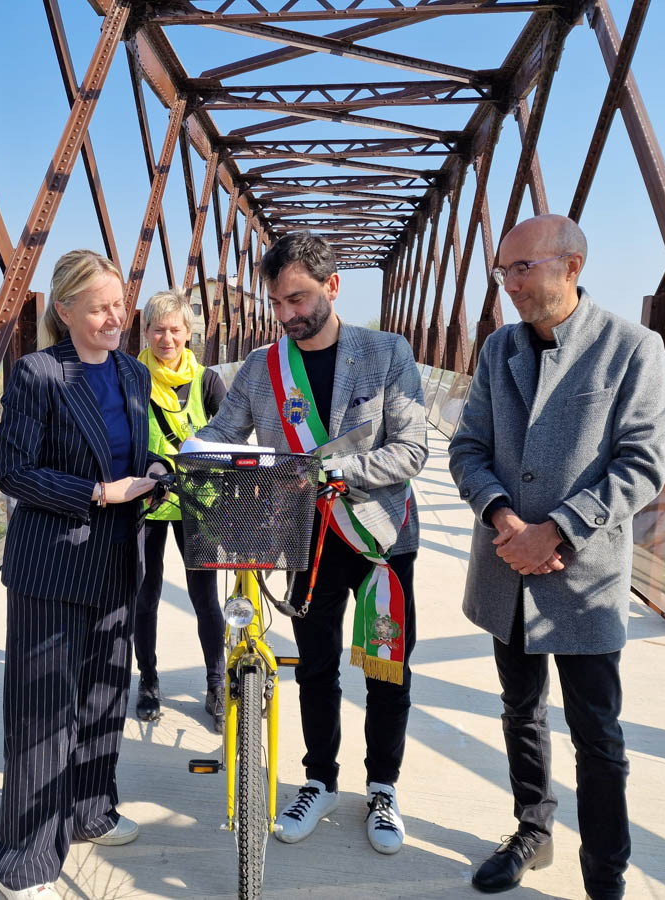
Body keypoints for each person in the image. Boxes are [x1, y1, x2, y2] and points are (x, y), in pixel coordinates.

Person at [448, 214, 665, 899]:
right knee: (520, 710)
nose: (510, 285)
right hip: (505, 561)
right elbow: (468, 448)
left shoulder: (633, 348)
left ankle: (605, 875)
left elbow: (644, 461)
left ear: (572, 266)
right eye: (503, 272)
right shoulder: (498, 350)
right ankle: (532, 830)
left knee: (597, 733)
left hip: (582, 573)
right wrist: (504, 517)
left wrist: (557, 530)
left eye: (523, 268)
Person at [195, 232, 428, 855]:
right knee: (316, 668)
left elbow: (411, 451)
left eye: (298, 298)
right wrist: (189, 454)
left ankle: (383, 788)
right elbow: (222, 431)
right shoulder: (261, 366)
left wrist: (332, 472)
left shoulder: (387, 353)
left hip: (380, 539)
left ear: (333, 285)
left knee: (387, 669)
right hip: (304, 539)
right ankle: (319, 779)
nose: (288, 314)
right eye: (277, 303)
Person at [0, 250, 168, 900]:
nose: (115, 318)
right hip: (52, 566)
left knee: (102, 698)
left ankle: (90, 813)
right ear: (63, 311)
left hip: (118, 560)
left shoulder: (130, 372)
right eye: (99, 308)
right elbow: (15, 473)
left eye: (120, 306)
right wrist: (98, 492)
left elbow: (135, 453)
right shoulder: (37, 374)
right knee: (43, 715)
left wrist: (152, 476)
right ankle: (25, 863)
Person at [132, 290, 229, 729]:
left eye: (174, 330)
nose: (165, 338)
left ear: (189, 333)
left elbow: (227, 440)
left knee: (205, 600)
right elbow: (118, 437)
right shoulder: (131, 377)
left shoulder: (208, 382)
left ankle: (215, 682)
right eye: (157, 329)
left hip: (197, 503)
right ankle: (149, 681)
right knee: (144, 596)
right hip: (148, 499)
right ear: (146, 331)